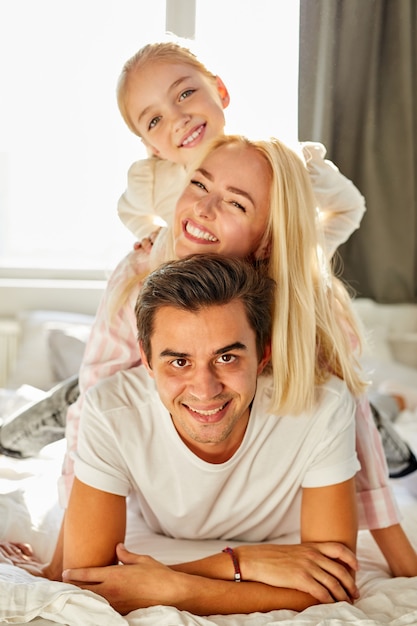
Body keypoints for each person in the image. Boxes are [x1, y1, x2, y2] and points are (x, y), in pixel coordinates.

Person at [2, 135, 416, 583]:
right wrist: (60, 558)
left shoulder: (298, 308)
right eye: (199, 184)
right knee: (78, 399)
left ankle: (393, 402)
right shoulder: (140, 272)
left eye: (237, 205)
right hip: (133, 378)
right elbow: (94, 403)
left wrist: (400, 556)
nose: (203, 209)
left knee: (365, 410)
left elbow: (346, 411)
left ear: (267, 240)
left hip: (303, 398)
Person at [62, 253, 361, 615]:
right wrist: (240, 563)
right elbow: (88, 583)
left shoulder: (321, 405)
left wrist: (178, 587)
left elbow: (334, 586)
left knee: (373, 414)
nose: (205, 390)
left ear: (262, 353)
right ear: (147, 359)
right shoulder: (111, 411)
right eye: (179, 362)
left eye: (226, 358)